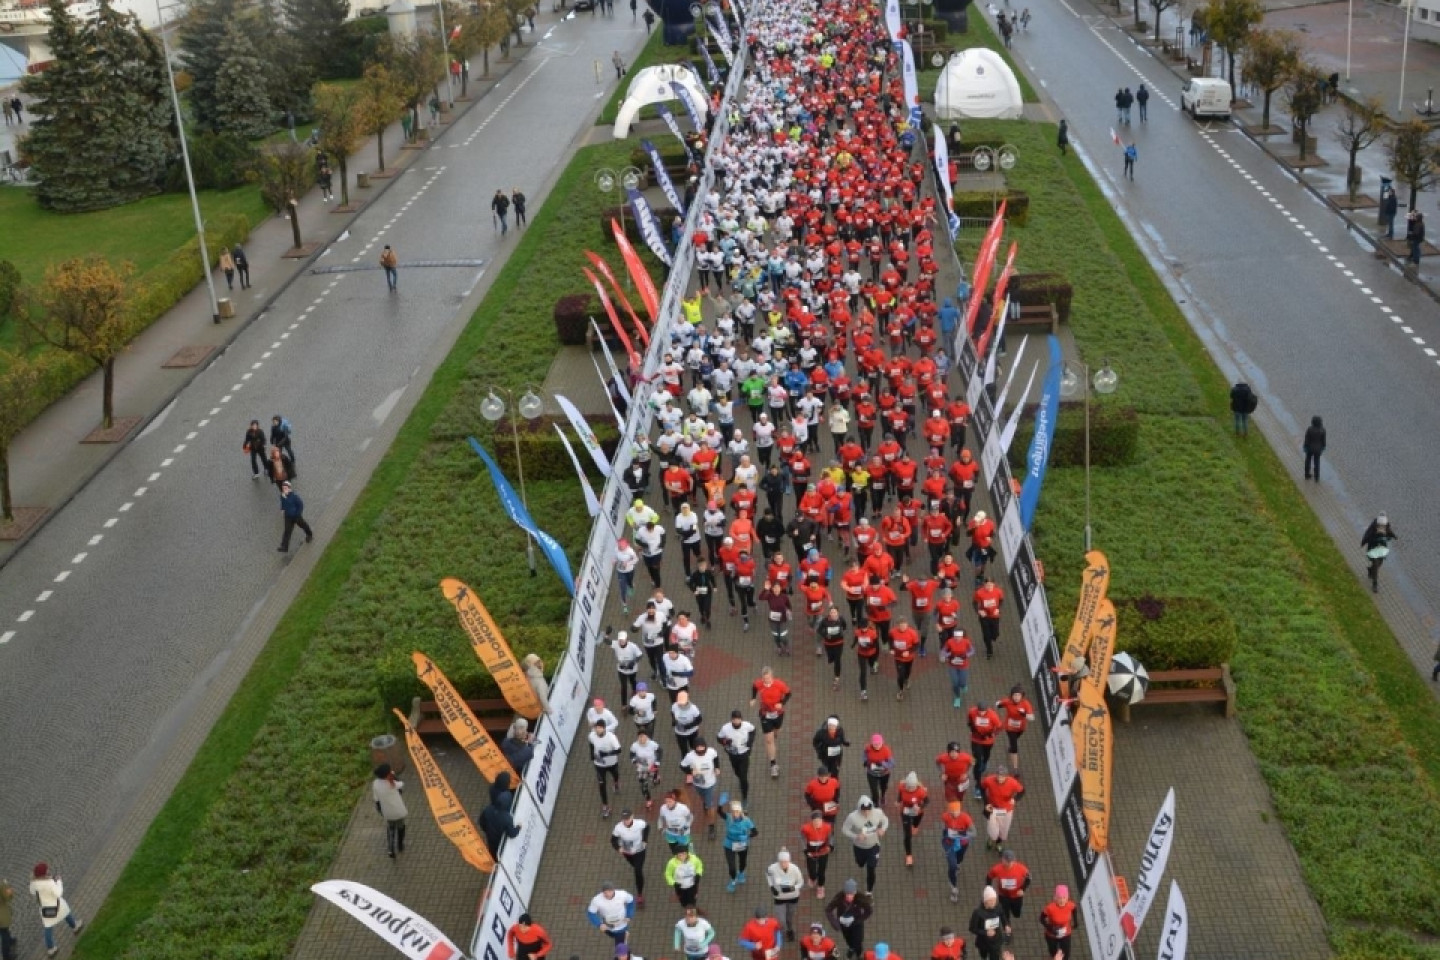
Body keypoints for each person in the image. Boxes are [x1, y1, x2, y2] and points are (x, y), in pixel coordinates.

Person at [29, 864, 81, 957]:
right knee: (66, 914)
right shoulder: (49, 882)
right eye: (46, 869)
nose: (48, 870)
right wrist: (59, 882)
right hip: (57, 905)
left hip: (45, 909)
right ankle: (75, 926)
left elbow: (33, 892)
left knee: (48, 928)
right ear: (44, 873)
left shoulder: (33, 884)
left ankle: (51, 948)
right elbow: (58, 893)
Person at [840, 796, 888, 895]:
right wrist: (856, 836)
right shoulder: (852, 817)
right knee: (860, 863)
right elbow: (845, 829)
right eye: (863, 810)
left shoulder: (878, 812)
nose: (866, 813)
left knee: (871, 869)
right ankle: (861, 863)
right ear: (859, 808)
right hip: (859, 847)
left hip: (874, 846)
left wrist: (883, 829)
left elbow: (885, 820)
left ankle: (869, 891)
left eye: (868, 810)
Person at [751, 667, 792, 777]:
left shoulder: (779, 684)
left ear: (772, 677)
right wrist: (753, 698)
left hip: (778, 714)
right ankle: (773, 765)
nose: (766, 681)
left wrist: (782, 703)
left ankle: (776, 732)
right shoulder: (760, 684)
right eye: (764, 679)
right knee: (769, 740)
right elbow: (754, 687)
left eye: (768, 678)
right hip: (765, 715)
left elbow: (788, 693)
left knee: (777, 731)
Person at [823, 879, 873, 960]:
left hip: (856, 924)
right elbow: (828, 909)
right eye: (847, 894)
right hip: (844, 924)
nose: (849, 897)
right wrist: (835, 923)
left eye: (851, 894)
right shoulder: (839, 897)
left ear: (855, 893)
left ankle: (858, 953)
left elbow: (869, 910)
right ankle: (851, 948)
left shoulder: (860, 898)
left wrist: (859, 920)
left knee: (858, 941)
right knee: (848, 939)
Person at [980, 765, 1024, 852]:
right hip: (993, 809)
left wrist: (1014, 799)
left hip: (1006, 811)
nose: (1000, 778)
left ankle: (998, 843)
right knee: (993, 829)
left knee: (1003, 829)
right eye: (998, 776)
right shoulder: (989, 780)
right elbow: (982, 788)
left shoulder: (1013, 783)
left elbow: (1022, 791)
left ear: (1006, 776)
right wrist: (986, 803)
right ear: (996, 774)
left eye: (1002, 777)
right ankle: (992, 839)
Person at [719, 797, 759, 891]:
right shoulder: (728, 817)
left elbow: (755, 832)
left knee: (742, 861)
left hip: (741, 844)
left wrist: (747, 836)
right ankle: (733, 880)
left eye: (737, 812)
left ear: (740, 812)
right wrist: (720, 805)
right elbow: (719, 812)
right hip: (729, 844)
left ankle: (741, 873)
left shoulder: (746, 821)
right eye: (733, 812)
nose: (734, 814)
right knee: (731, 866)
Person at [939, 800, 975, 902]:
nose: (955, 813)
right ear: (949, 811)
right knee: (952, 866)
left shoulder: (966, 818)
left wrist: (961, 833)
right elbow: (944, 828)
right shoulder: (945, 816)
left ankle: (958, 865)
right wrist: (946, 834)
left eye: (957, 811)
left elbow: (974, 833)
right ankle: (954, 889)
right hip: (949, 844)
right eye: (953, 811)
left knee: (959, 859)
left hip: (962, 844)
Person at [766, 849, 805, 940]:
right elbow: (768, 875)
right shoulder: (772, 868)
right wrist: (771, 886)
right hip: (779, 898)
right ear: (778, 861)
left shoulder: (795, 869)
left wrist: (793, 888)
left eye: (786, 862)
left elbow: (801, 882)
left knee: (789, 917)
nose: (783, 864)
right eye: (781, 862)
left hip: (793, 897)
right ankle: (782, 932)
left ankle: (790, 930)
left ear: (789, 861)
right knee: (781, 920)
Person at [996, 685, 1035, 773]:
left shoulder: (1025, 703)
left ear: (1022, 696)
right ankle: (1015, 768)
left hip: (1021, 728)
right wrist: (999, 704)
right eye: (1015, 695)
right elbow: (997, 703)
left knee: (1015, 739)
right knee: (1014, 746)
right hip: (1010, 728)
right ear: (1012, 696)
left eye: (1018, 695)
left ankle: (1011, 747)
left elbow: (1032, 718)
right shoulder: (1008, 701)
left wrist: (1024, 714)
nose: (1017, 697)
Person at [985, 848, 1031, 922]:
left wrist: (1023, 889)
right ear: (1002, 860)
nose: (1009, 863)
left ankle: (1015, 913)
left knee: (1016, 913)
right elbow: (989, 877)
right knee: (1004, 913)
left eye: (1011, 861)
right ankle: (1007, 927)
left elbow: (1028, 879)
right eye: (1007, 861)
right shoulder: (996, 869)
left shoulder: (1022, 869)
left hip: (1017, 895)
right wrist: (989, 888)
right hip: (1003, 895)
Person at [480, 771, 521, 853]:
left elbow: (481, 821)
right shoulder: (506, 818)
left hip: (491, 836)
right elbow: (512, 833)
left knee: (492, 850)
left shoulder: (488, 809)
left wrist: (487, 829)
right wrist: (518, 828)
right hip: (499, 839)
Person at [590, 719, 623, 818]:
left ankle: (616, 783)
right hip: (599, 764)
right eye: (596, 728)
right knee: (601, 785)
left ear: (604, 728)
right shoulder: (592, 735)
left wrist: (606, 754)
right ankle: (605, 806)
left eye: (600, 728)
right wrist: (592, 754)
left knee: (615, 775)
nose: (598, 730)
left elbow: (619, 750)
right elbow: (591, 744)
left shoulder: (611, 737)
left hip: (612, 763)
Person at [801, 808, 834, 898]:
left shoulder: (827, 827)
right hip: (811, 853)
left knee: (821, 871)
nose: (817, 823)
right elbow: (803, 838)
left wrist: (830, 846)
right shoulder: (805, 828)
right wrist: (805, 849)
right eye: (815, 821)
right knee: (811, 869)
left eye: (819, 820)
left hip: (823, 852)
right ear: (812, 821)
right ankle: (812, 878)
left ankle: (820, 886)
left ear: (822, 820)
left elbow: (830, 837)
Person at [1040, 885, 1079, 960]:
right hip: (1051, 934)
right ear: (1055, 898)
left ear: (1067, 898)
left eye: (1064, 898)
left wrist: (1075, 921)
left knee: (1066, 955)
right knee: (1053, 953)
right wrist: (1051, 928)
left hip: (1066, 934)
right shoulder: (1050, 908)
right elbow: (1041, 919)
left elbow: (1074, 909)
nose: (1062, 900)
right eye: (1059, 898)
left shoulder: (1070, 905)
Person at [1361, 513, 1398, 593]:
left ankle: (1371, 570)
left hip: (1382, 546)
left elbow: (1389, 531)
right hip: (1373, 546)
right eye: (1380, 525)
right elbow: (1367, 534)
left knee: (1379, 563)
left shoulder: (1386, 525)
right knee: (1375, 563)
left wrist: (1394, 536)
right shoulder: (1373, 526)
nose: (1381, 527)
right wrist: (1364, 542)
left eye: (1383, 525)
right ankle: (1375, 584)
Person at [967, 887, 1007, 960]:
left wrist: (1006, 925)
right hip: (983, 941)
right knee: (983, 955)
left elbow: (1002, 915)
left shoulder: (998, 907)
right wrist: (985, 932)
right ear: (985, 901)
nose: (993, 903)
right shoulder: (978, 913)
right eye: (991, 900)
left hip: (996, 940)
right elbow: (972, 929)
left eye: (995, 900)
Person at [277, 481, 313, 552]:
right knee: (287, 531)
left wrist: (298, 513)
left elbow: (300, 505)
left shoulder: (294, 497)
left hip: (296, 516)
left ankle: (309, 534)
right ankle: (284, 547)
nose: (284, 490)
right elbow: (283, 504)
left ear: (289, 489)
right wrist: (282, 509)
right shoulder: (282, 496)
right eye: (283, 488)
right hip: (288, 516)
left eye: (286, 488)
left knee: (303, 525)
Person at [1303, 415, 1326, 481]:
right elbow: (1323, 441)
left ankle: (1307, 474)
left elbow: (1306, 439)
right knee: (1317, 462)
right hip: (1318, 449)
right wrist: (1323, 447)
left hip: (1310, 448)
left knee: (1308, 460)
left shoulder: (1309, 429)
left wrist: (1305, 446)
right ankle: (1317, 477)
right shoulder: (1323, 430)